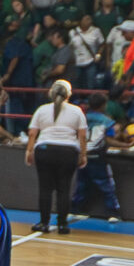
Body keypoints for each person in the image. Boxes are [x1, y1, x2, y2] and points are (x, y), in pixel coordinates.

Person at [26, 78, 87, 235]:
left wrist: (29, 151)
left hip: (45, 149)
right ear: (69, 94)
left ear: (51, 93)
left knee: (45, 188)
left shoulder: (41, 110)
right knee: (64, 189)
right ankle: (62, 225)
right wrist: (83, 154)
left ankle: (43, 223)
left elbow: (32, 133)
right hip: (68, 151)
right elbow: (82, 135)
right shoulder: (77, 111)